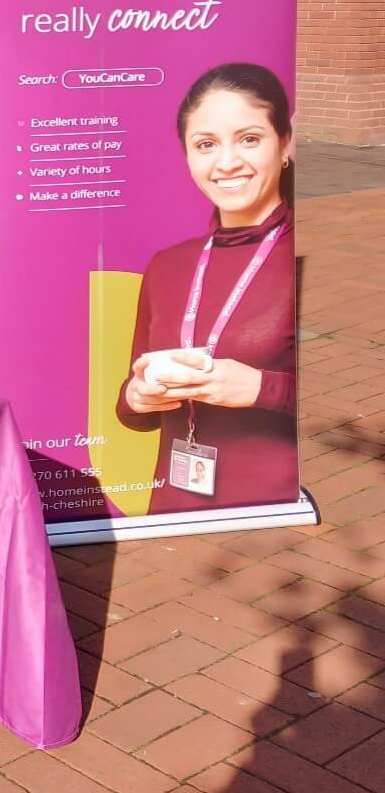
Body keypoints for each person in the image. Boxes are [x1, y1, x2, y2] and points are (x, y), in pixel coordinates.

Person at [117, 62, 298, 514]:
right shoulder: (167, 265)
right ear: (188, 156)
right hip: (176, 513)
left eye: (250, 139)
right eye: (206, 145)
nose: (227, 162)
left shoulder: (314, 254)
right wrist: (138, 396)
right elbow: (129, 410)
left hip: (284, 519)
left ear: (286, 144)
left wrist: (261, 388)